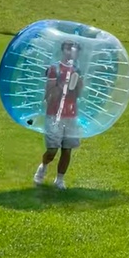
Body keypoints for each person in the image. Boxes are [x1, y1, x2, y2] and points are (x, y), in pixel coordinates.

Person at [33, 39, 85, 189]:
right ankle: (42, 168)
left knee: (67, 149)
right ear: (63, 50)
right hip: (54, 115)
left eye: (74, 50)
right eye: (68, 49)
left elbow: (79, 95)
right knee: (52, 150)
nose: (71, 52)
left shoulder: (77, 71)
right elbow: (49, 95)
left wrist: (78, 84)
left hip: (71, 115)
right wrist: (63, 85)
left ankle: (60, 180)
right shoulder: (54, 69)